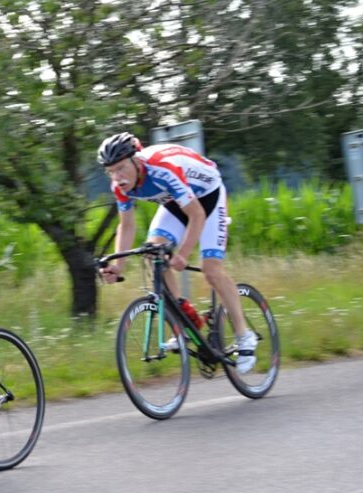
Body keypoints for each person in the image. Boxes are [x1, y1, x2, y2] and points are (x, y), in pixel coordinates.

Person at [95, 132, 257, 374]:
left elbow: (197, 214)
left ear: (136, 161)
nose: (117, 177)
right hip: (176, 202)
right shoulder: (120, 187)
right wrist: (119, 265)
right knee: (153, 253)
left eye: (121, 168)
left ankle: (244, 335)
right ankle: (186, 320)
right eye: (111, 171)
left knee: (211, 270)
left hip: (208, 197)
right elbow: (126, 225)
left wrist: (183, 254)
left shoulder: (162, 170)